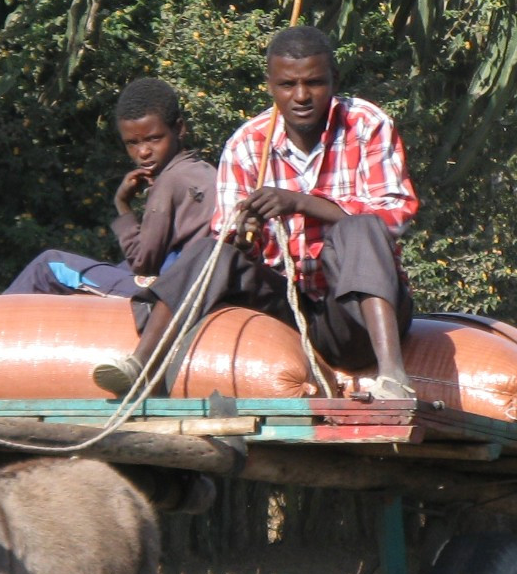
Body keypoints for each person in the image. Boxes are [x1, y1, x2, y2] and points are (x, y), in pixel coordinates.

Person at [92, 27, 420, 400]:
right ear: (270, 85)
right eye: (287, 85)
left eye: (314, 83)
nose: (300, 96)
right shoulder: (247, 143)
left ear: (334, 80)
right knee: (210, 250)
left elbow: (395, 216)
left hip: (354, 317)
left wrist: (300, 202)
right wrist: (244, 233)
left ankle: (393, 375)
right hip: (290, 311)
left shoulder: (366, 124)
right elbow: (230, 237)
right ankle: (143, 364)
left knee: (359, 228)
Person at [4, 77, 216, 297]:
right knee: (115, 268)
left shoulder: (169, 181)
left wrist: (122, 204)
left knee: (48, 266)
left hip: (169, 291)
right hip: (189, 282)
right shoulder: (206, 171)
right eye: (132, 143)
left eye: (153, 139)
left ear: (179, 128)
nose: (143, 152)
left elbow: (143, 265)